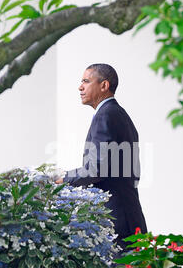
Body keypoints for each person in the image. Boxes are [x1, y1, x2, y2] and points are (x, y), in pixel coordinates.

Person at [55, 63, 147, 251]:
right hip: (129, 214)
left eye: (86, 81)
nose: (80, 87)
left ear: (104, 86)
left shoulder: (105, 116)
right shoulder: (119, 114)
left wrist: (64, 178)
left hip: (117, 221)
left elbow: (97, 169)